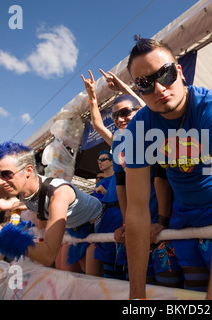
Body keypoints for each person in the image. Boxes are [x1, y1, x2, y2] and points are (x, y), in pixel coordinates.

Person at [122, 36, 212, 300]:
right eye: (144, 83)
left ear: (179, 72)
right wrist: (136, 298)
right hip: (183, 214)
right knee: (191, 290)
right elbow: (136, 212)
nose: (158, 88)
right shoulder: (138, 127)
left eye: (165, 74)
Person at [81, 69, 183, 286]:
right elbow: (99, 126)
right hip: (137, 223)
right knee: (136, 285)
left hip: (163, 219)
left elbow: (146, 105)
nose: (119, 119)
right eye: (115, 115)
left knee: (168, 286)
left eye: (126, 112)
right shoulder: (118, 144)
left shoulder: (152, 131)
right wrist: (92, 97)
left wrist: (123, 88)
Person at [0, 141, 103, 276]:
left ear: (28, 170)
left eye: (5, 174)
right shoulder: (10, 183)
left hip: (101, 223)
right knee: (67, 272)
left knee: (90, 277)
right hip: (75, 227)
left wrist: (2, 234)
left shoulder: (58, 193)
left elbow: (47, 255)